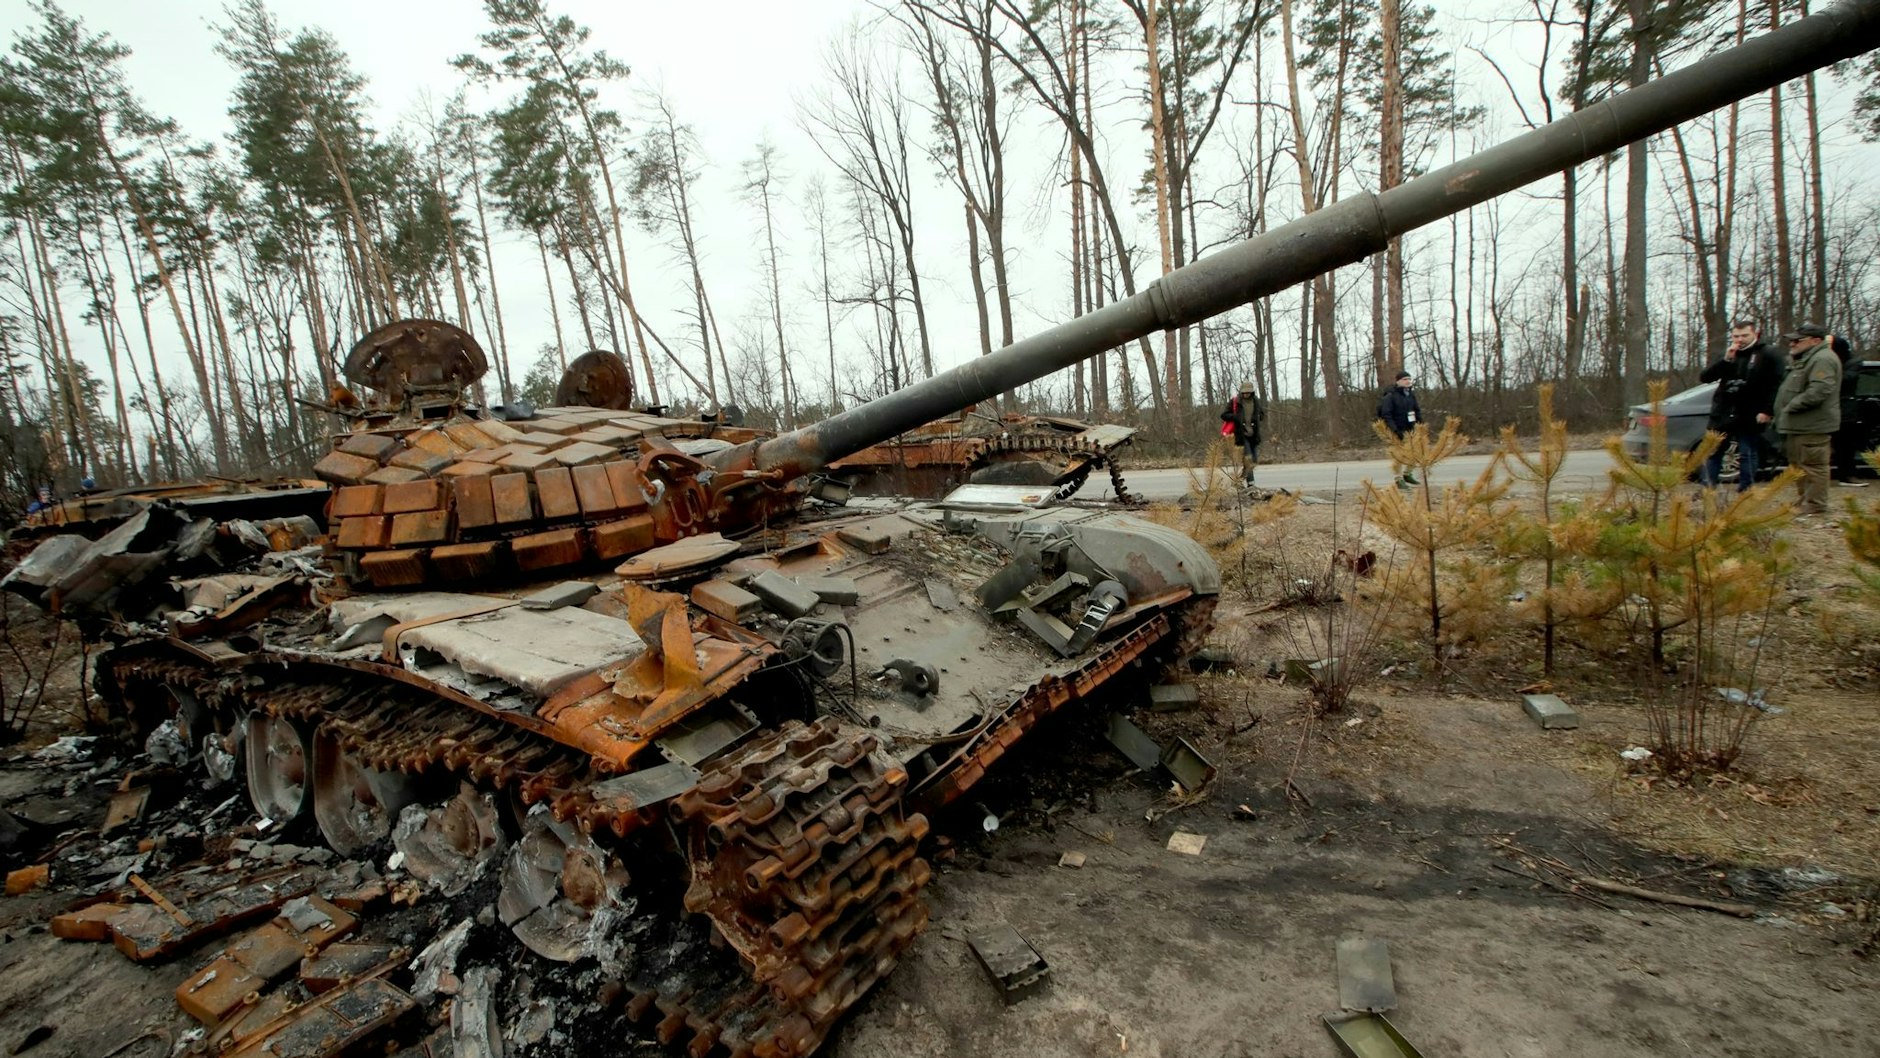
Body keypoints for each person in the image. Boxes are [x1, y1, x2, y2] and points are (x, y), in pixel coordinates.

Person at [1697, 320, 1783, 490]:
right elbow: (1705, 377)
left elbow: (1777, 384)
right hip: (1724, 411)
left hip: (1751, 411)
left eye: (1745, 335)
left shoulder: (1768, 354)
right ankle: (1707, 487)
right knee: (1713, 450)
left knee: (1747, 452)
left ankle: (1746, 489)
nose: (1740, 340)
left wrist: (1767, 410)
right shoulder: (1728, 354)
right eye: (1736, 336)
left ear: (1755, 335)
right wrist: (1726, 360)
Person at [1773, 323, 1842, 516]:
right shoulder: (1806, 358)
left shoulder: (1823, 359)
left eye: (1797, 340)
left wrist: (1791, 406)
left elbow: (1820, 390)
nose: (1792, 343)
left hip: (1812, 424)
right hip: (1798, 425)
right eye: (1791, 340)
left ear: (1815, 341)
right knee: (1799, 466)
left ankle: (1816, 505)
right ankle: (1804, 501)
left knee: (1814, 466)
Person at [1827, 334, 1864, 484]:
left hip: (1845, 408)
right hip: (1826, 407)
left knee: (1845, 444)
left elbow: (1846, 379)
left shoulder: (1853, 362)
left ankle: (1847, 474)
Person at [1376, 369, 1421, 486]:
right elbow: (1386, 414)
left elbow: (1416, 410)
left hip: (1410, 429)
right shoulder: (1390, 396)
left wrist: (1420, 424)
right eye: (1405, 379)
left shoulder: (1410, 395)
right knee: (1399, 456)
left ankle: (1408, 474)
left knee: (1416, 452)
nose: (1408, 381)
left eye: (1409, 379)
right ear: (1398, 381)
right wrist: (1394, 430)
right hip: (1396, 430)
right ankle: (1398, 479)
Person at [1219, 382, 1264, 485]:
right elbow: (1224, 415)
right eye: (1244, 392)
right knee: (1247, 459)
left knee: (1254, 461)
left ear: (1251, 392)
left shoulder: (1255, 401)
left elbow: (1261, 413)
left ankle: (1238, 481)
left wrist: (1260, 416)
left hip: (1253, 435)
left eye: (1248, 392)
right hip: (1242, 435)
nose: (1246, 394)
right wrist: (1235, 417)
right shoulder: (1235, 402)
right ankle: (1251, 484)